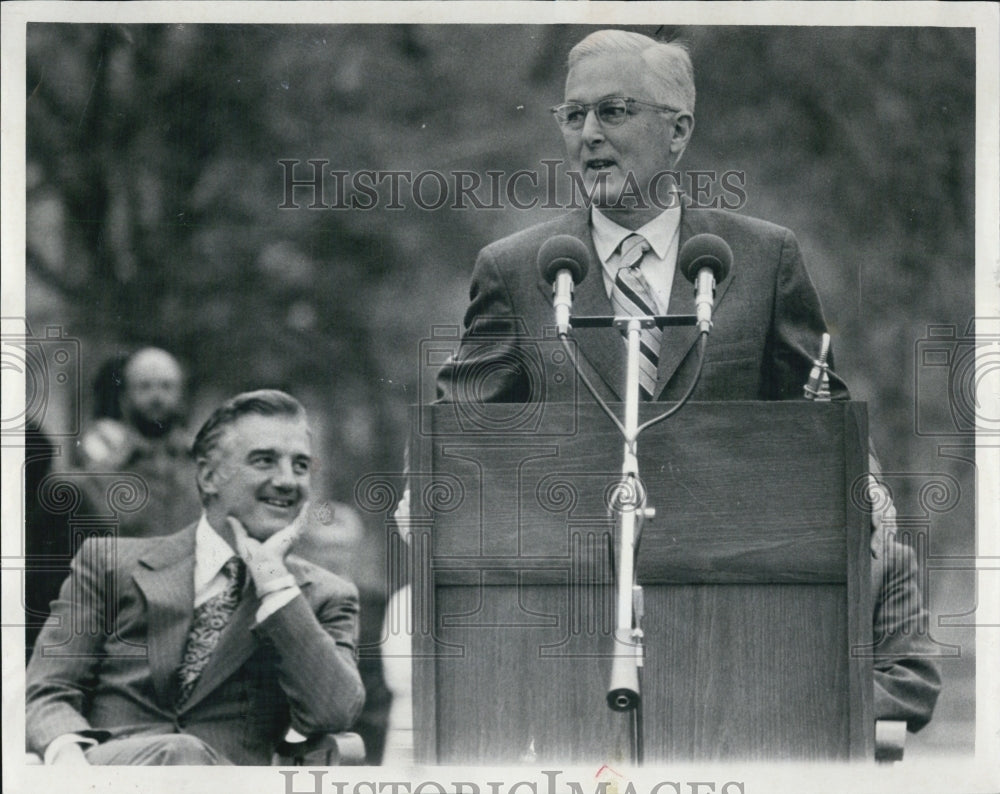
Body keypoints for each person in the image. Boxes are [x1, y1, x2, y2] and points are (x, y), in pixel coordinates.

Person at [432, 29, 939, 734]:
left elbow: (819, 425)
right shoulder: (518, 269)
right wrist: (422, 491)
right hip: (567, 623)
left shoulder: (760, 259)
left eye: (613, 112)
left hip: (732, 622)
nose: (588, 136)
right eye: (573, 116)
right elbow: (460, 438)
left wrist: (867, 496)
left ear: (678, 131)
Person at [26, 389, 365, 765]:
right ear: (207, 475)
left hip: (225, 784)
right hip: (107, 777)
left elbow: (334, 712)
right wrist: (68, 756)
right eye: (265, 461)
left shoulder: (322, 595)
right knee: (178, 752)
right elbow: (48, 690)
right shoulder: (108, 566)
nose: (288, 481)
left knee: (184, 754)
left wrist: (275, 584)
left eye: (301, 466)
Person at [75, 347, 201, 537]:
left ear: (181, 395)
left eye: (166, 386)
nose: (156, 397)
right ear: (125, 398)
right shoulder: (101, 476)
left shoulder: (205, 467)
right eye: (144, 386)